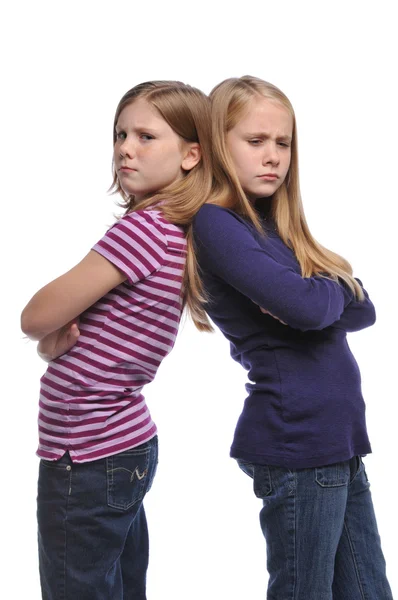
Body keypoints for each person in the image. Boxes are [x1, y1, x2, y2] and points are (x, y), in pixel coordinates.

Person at [192, 76, 393, 599]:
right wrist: (321, 294)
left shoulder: (274, 227)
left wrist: (323, 293)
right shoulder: (217, 225)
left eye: (282, 144)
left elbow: (363, 307)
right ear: (217, 144)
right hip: (298, 441)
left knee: (369, 590)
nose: (273, 157)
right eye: (256, 142)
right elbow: (307, 309)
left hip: (338, 440)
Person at [21, 80, 213, 600]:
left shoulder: (142, 231)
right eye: (120, 133)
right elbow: (64, 337)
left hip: (86, 453)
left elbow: (35, 315)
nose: (125, 147)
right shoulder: (177, 230)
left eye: (146, 136)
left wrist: (43, 335)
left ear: (192, 155)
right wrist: (49, 348)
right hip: (122, 445)